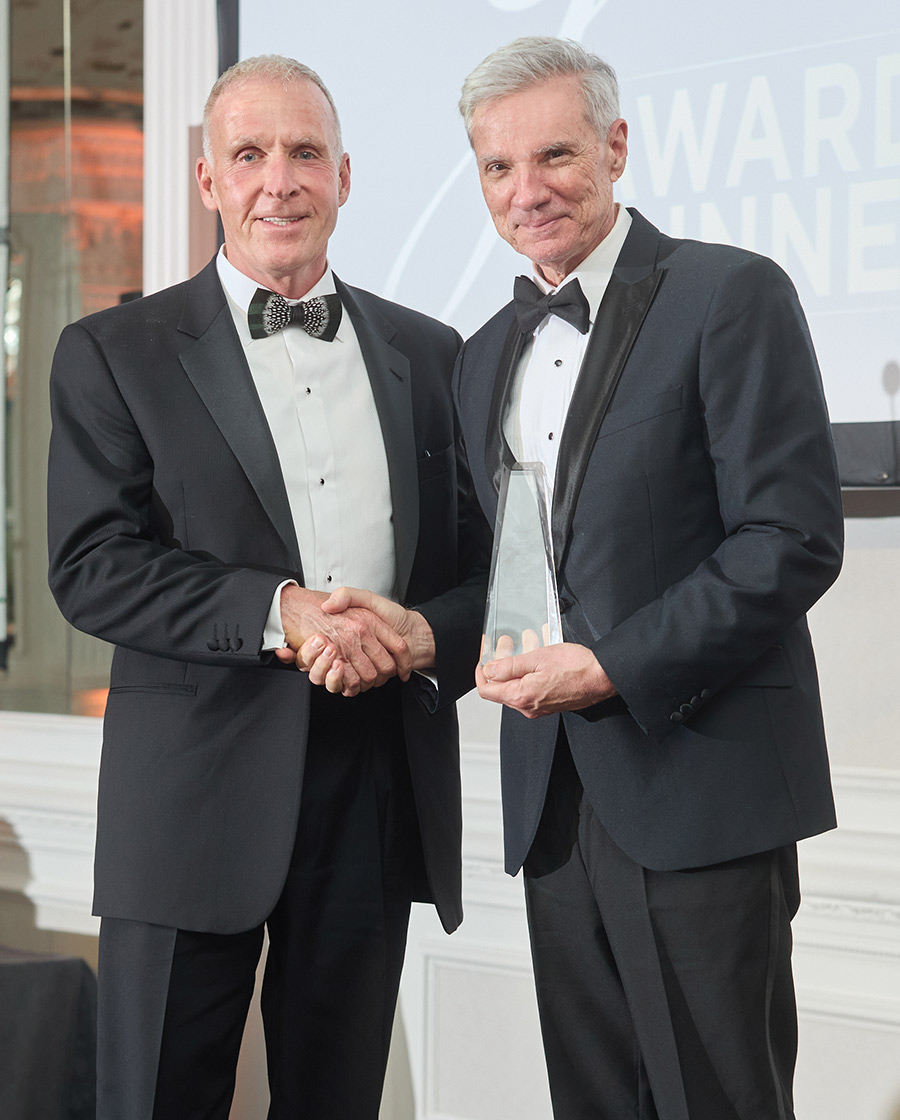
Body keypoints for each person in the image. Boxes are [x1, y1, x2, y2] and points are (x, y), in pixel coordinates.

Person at [47, 54, 487, 1120]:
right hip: (187, 797)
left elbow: (491, 568)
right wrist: (278, 611)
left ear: (346, 176)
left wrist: (420, 635)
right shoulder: (114, 351)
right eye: (249, 155)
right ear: (208, 182)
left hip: (372, 787)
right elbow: (91, 565)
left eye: (303, 154)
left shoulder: (435, 354)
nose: (277, 181)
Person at [450, 35, 842, 1120]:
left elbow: (791, 538)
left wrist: (612, 666)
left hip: (701, 795)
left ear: (616, 147)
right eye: (496, 168)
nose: (527, 191)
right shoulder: (483, 351)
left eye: (557, 156)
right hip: (554, 806)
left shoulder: (729, 293)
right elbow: (514, 564)